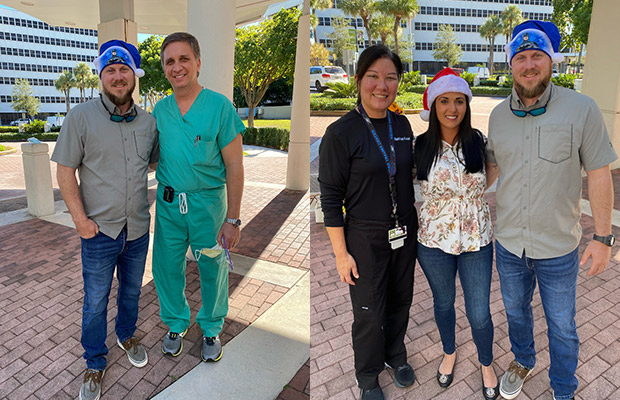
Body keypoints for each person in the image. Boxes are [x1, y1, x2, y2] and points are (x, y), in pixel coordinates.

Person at [487, 20, 617, 400]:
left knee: (562, 325)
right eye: (521, 57)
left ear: (551, 62)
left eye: (537, 56)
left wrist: (603, 238)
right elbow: (493, 167)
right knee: (515, 313)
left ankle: (563, 387)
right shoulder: (497, 116)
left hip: (558, 247)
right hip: (509, 244)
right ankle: (523, 360)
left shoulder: (582, 108)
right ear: (510, 64)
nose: (529, 64)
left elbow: (599, 173)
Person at [51, 40, 158, 400]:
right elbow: (65, 171)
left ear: (134, 76)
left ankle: (125, 334)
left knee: (130, 292)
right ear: (101, 76)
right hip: (98, 232)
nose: (117, 76)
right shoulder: (80, 117)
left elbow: (158, 163)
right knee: (95, 301)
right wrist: (79, 220)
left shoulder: (148, 122)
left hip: (139, 229)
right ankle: (95, 362)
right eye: (110, 70)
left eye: (123, 69)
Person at [319, 45, 417, 400]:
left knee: (400, 300)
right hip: (363, 236)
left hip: (404, 231)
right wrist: (341, 254)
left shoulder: (402, 124)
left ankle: (395, 355)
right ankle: (368, 375)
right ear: (358, 80)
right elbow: (331, 200)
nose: (382, 85)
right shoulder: (341, 133)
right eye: (373, 76)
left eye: (390, 78)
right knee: (368, 310)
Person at [151, 32, 245, 363]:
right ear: (164, 68)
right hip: (167, 207)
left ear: (198, 63)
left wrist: (232, 219)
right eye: (170, 61)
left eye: (183, 59)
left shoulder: (219, 106)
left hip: (208, 206)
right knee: (166, 268)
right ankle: (176, 323)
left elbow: (234, 165)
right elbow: (152, 157)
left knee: (213, 267)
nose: (177, 67)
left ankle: (211, 327)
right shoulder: (159, 111)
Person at [413, 68, 499, 400]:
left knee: (479, 310)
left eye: (459, 101)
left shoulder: (479, 141)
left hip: (477, 240)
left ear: (467, 104)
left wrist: (469, 202)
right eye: (445, 101)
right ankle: (449, 351)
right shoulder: (421, 146)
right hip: (434, 242)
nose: (452, 108)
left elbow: (491, 172)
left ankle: (486, 362)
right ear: (434, 106)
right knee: (444, 302)